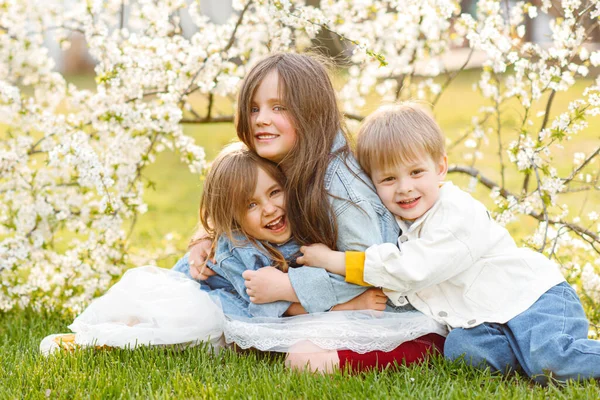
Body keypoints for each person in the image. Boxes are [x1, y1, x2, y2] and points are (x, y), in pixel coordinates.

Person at [298, 102, 600, 383]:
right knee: (461, 350)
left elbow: (414, 269)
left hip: (530, 299)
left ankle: (545, 359)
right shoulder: (402, 225)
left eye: (416, 172)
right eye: (388, 179)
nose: (405, 188)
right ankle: (525, 362)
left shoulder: (457, 212)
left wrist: (332, 260)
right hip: (483, 321)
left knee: (550, 359)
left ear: (441, 167)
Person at [182, 53, 445, 372]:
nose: (261, 118)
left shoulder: (339, 185)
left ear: (311, 112)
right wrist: (206, 236)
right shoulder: (286, 152)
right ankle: (159, 312)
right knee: (198, 272)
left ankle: (422, 348)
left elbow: (372, 268)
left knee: (303, 359)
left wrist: (288, 288)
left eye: (278, 107)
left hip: (385, 306)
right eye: (254, 108)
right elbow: (236, 197)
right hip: (327, 289)